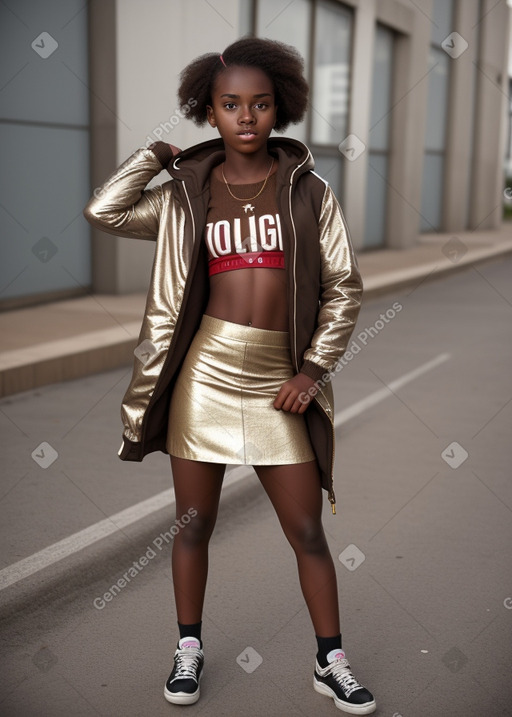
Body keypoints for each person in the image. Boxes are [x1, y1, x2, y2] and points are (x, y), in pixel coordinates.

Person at [84, 36, 376, 715]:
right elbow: (106, 210)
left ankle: (330, 660)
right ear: (207, 111)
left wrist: (311, 368)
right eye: (230, 104)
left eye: (261, 104)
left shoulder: (310, 189)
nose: (246, 117)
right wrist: (153, 156)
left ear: (281, 109)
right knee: (192, 524)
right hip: (206, 375)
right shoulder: (185, 193)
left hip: (281, 376)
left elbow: (346, 288)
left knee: (307, 529)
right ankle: (189, 649)